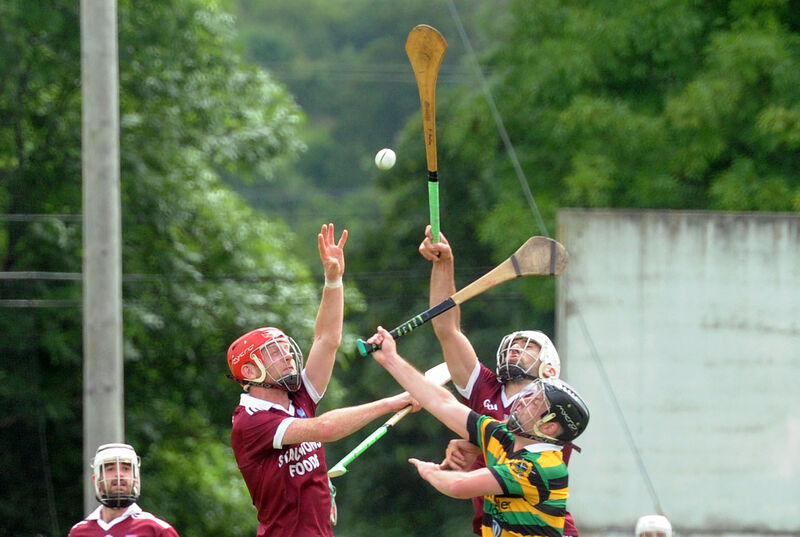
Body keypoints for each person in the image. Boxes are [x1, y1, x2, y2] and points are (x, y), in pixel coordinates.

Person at [227, 223, 419, 537]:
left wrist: (333, 281)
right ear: (250, 372)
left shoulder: (298, 396)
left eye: (286, 348)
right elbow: (325, 429)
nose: (288, 356)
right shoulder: (250, 423)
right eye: (275, 353)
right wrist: (397, 400)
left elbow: (327, 339)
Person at [418, 226, 581, 536]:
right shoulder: (485, 388)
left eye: (529, 346)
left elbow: (514, 447)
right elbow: (447, 329)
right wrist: (444, 264)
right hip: (491, 526)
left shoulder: (557, 409)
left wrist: (475, 447)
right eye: (515, 343)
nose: (517, 348)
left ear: (549, 369)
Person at [367, 327, 589, 537]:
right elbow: (442, 402)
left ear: (548, 427)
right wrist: (391, 359)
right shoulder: (502, 438)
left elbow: (459, 485)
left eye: (534, 402)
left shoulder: (539, 466)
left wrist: (429, 472)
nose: (523, 400)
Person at [68, 443, 180, 537]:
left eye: (126, 469)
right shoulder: (79, 532)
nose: (119, 475)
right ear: (96, 480)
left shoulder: (157, 530)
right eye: (110, 469)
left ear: (136, 479)